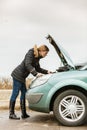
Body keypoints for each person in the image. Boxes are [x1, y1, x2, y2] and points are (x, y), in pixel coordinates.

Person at [9, 44, 52, 120]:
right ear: (41, 51)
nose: (46, 55)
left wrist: (47, 71)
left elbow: (38, 68)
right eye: (45, 53)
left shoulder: (37, 58)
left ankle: (24, 113)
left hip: (22, 77)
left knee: (24, 94)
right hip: (17, 75)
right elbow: (27, 64)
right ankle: (11, 114)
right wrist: (35, 74)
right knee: (15, 93)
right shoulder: (31, 53)